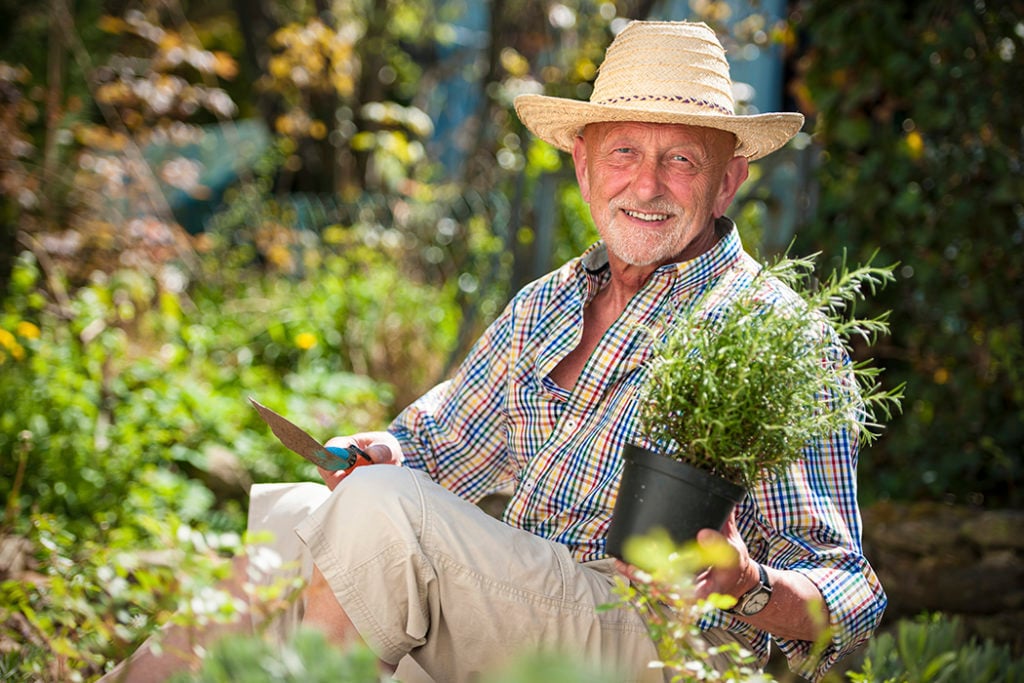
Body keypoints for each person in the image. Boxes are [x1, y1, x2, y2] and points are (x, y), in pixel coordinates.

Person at [101, 20, 885, 683]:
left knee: (374, 515)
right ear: (582, 166)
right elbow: (435, 448)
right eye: (623, 154)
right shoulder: (546, 303)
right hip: (527, 618)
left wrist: (747, 583)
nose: (646, 185)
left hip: (647, 642)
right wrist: (385, 449)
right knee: (307, 512)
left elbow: (849, 598)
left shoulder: (773, 337)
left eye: (681, 159)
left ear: (727, 182)